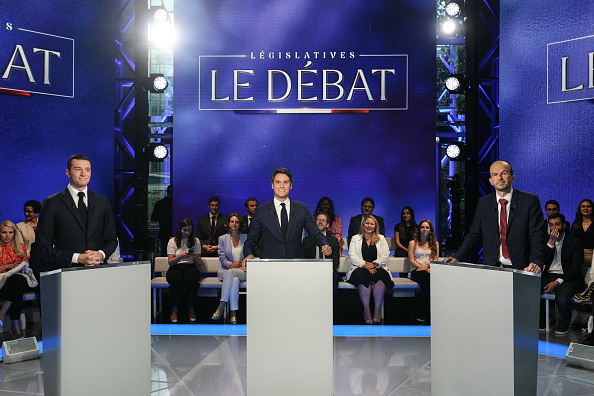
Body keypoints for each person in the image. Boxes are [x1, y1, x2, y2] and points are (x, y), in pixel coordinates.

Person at [444, 160, 546, 273]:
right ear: (491, 181)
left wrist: (536, 261)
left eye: (504, 173)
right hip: (493, 268)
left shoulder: (529, 201)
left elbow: (537, 235)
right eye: (495, 174)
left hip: (523, 268)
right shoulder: (484, 203)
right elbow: (474, 234)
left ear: (512, 177)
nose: (500, 178)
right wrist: (458, 256)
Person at [36, 154, 118, 269]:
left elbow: (112, 240)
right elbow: (42, 248)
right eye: (78, 169)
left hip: (97, 270)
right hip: (66, 273)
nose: (83, 174)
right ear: (67, 173)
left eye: (87, 170)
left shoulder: (102, 202)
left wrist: (100, 254)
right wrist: (77, 258)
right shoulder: (52, 203)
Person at [244, 168, 331, 259]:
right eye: (278, 182)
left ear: (291, 185)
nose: (282, 186)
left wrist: (324, 244)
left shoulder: (302, 209)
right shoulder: (262, 211)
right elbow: (251, 239)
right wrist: (249, 254)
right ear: (272, 185)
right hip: (270, 264)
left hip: (295, 262)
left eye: (285, 182)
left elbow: (315, 233)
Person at [539, 213, 585, 335]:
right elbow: (541, 261)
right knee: (532, 288)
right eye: (551, 225)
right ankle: (542, 320)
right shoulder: (545, 240)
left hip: (569, 277)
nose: (554, 228)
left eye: (557, 224)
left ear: (564, 225)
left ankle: (564, 323)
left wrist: (557, 281)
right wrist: (550, 244)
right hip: (549, 274)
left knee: (562, 296)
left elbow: (575, 269)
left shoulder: (575, 242)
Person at [347, 215, 393, 324]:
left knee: (381, 276)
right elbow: (352, 256)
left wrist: (374, 264)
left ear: (375, 226)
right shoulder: (355, 238)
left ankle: (377, 310)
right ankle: (366, 310)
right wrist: (365, 265)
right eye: (367, 223)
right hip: (360, 267)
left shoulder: (381, 238)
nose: (369, 226)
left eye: (372, 224)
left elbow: (386, 255)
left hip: (377, 266)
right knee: (363, 277)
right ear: (363, 225)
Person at [0, 220, 38, 338]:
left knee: (17, 280)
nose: (7, 236)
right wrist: (8, 267)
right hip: (3, 280)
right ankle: (15, 324)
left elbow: (25, 263)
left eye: (10, 232)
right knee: (16, 287)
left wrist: (19, 266)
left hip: (18, 278)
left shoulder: (19, 246)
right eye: (4, 232)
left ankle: (2, 313)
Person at [212, 214, 247, 324]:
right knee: (234, 280)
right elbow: (222, 258)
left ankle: (221, 305)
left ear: (240, 225)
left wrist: (239, 264)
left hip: (243, 270)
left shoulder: (246, 237)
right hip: (227, 269)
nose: (234, 224)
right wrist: (231, 265)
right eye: (232, 222)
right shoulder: (222, 238)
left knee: (231, 273)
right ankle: (233, 313)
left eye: (236, 222)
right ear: (228, 224)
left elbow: (249, 255)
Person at [166, 218, 202, 323]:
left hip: (190, 266)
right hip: (176, 266)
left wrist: (194, 256)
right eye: (185, 230)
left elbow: (199, 263)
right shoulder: (172, 241)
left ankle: (191, 308)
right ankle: (175, 309)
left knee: (191, 280)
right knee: (176, 280)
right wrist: (181, 256)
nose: (187, 233)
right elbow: (171, 262)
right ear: (180, 229)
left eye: (189, 230)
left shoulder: (195, 241)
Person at [303, 212, 341, 297]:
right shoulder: (306, 240)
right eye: (318, 220)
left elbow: (335, 261)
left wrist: (326, 271)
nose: (320, 222)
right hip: (311, 271)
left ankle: (332, 307)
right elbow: (304, 259)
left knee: (334, 278)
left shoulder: (333, 240)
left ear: (327, 225)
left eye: (323, 220)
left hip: (329, 271)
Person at [408, 220, 439, 324]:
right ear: (419, 229)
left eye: (427, 227)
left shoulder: (435, 244)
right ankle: (428, 314)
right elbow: (411, 260)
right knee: (427, 279)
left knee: (427, 282)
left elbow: (435, 260)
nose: (424, 229)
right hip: (416, 270)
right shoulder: (413, 243)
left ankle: (423, 313)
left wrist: (428, 267)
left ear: (430, 230)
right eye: (422, 227)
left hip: (430, 271)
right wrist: (423, 267)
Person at [571, 199, 594, 272]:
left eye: (588, 206)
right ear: (580, 209)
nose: (585, 208)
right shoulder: (575, 224)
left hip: (592, 254)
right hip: (578, 253)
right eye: (583, 206)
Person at [394, 206, 417, 278]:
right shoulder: (398, 226)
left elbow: (417, 242)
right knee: (402, 255)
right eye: (404, 213)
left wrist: (411, 250)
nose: (405, 215)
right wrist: (407, 249)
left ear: (411, 214)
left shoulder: (417, 227)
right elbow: (397, 242)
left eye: (407, 213)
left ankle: (415, 276)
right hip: (402, 249)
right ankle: (403, 277)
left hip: (413, 249)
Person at [151, 185, 173, 257]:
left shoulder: (160, 203)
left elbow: (153, 218)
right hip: (175, 233)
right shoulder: (177, 204)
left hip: (164, 233)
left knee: (164, 254)